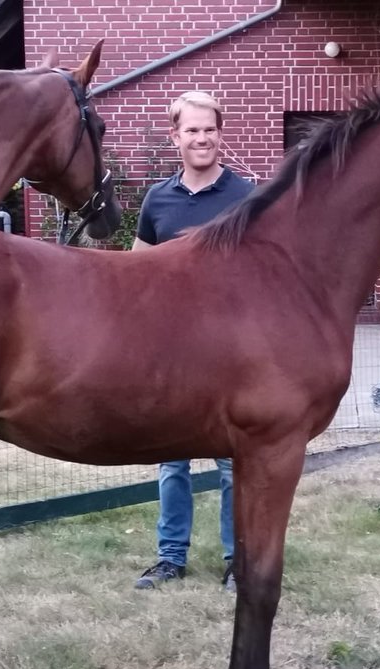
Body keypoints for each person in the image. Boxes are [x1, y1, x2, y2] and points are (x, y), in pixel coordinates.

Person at [132, 90, 254, 592]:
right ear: (175, 137)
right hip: (171, 356)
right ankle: (170, 558)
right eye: (192, 130)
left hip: (228, 356)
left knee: (232, 462)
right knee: (172, 460)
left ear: (220, 134)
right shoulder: (157, 200)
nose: (201, 138)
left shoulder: (246, 196)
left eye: (209, 129)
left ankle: (236, 560)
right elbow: (135, 271)